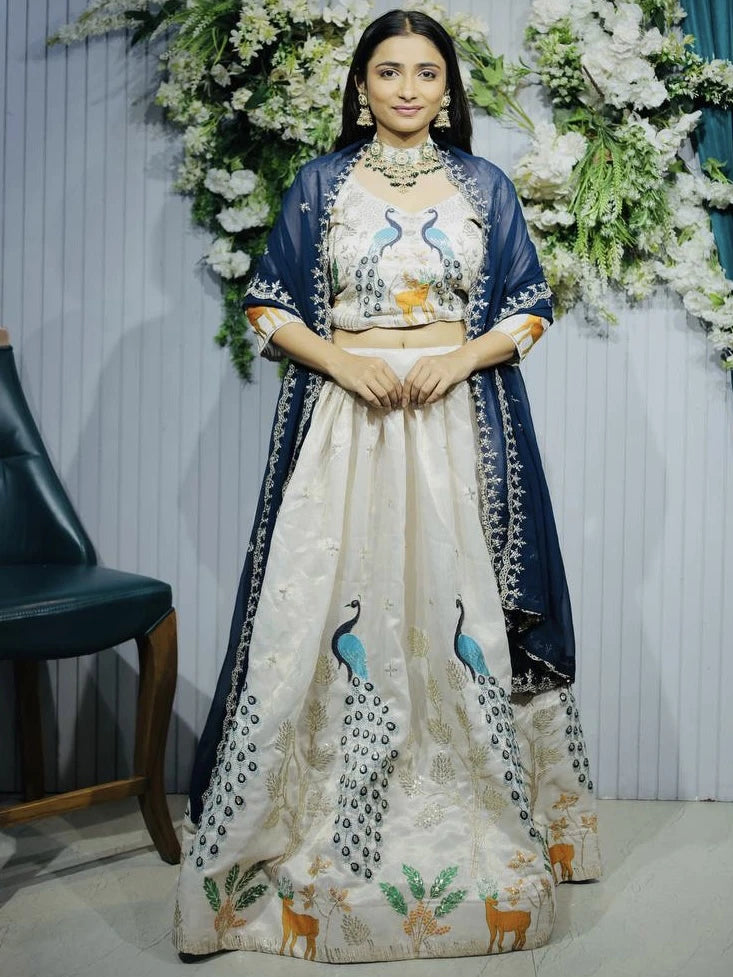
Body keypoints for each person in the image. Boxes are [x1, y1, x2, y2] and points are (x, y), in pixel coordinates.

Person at [173, 8, 601, 962]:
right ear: (361, 86)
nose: (407, 89)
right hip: (349, 426)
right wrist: (339, 361)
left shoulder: (483, 186)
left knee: (457, 607)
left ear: (447, 89)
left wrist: (458, 361)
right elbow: (267, 303)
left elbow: (529, 305)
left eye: (425, 73)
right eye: (388, 71)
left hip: (454, 426)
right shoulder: (320, 185)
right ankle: (297, 828)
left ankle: (482, 813)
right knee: (324, 607)